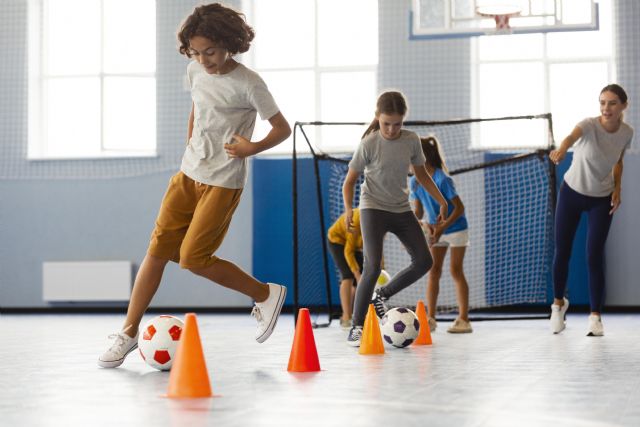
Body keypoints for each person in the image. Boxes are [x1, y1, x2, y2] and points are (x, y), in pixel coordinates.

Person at [98, 3, 291, 368]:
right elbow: (197, 110)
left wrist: (252, 147)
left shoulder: (249, 83)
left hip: (222, 182)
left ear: (229, 43)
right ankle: (127, 332)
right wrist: (191, 145)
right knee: (157, 251)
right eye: (197, 53)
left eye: (211, 52)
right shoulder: (194, 71)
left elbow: (281, 128)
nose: (204, 60)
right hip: (187, 176)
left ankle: (265, 294)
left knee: (192, 258)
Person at [342, 91, 448, 346]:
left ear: (404, 120)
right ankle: (357, 326)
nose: (391, 129)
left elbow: (422, 176)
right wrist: (348, 209)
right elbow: (349, 182)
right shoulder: (369, 143)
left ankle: (382, 295)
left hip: (401, 209)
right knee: (373, 266)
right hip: (372, 208)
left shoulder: (411, 141)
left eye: (397, 123)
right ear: (377, 117)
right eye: (386, 123)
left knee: (424, 261)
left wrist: (442, 200)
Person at [549, 84, 633, 337]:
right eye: (602, 103)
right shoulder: (588, 124)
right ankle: (557, 305)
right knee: (562, 250)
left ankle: (595, 317)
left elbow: (618, 161)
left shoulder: (627, 132)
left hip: (601, 198)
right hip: (572, 193)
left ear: (623, 106)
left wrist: (618, 188)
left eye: (612, 103)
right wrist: (561, 150)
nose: (606, 108)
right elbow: (570, 139)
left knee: (593, 255)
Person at [410, 136, 471, 334]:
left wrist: (442, 228)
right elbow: (418, 212)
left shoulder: (442, 179)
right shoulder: (414, 182)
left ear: (423, 156)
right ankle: (431, 318)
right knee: (433, 271)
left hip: (456, 228)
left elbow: (459, 208)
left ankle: (463, 319)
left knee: (455, 270)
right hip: (436, 229)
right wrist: (415, 225)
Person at [327, 208, 364, 328]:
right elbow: (348, 251)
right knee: (348, 275)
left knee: (361, 279)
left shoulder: (378, 226)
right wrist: (357, 275)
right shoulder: (356, 221)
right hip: (337, 240)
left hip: (354, 245)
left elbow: (377, 252)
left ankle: (352, 313)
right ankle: (346, 317)